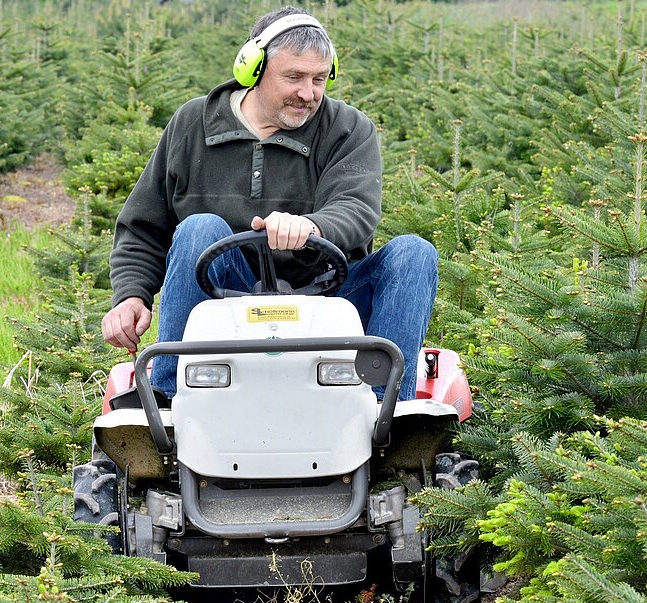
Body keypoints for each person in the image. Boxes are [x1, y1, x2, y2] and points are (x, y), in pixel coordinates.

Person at [101, 6, 438, 401]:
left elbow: (356, 207)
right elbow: (144, 226)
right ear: (254, 69)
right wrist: (131, 295)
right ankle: (171, 399)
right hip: (227, 304)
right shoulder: (193, 124)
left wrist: (311, 227)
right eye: (293, 77)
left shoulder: (348, 128)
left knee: (414, 253)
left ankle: (386, 409)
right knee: (199, 229)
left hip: (329, 302)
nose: (308, 93)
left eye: (318, 79)